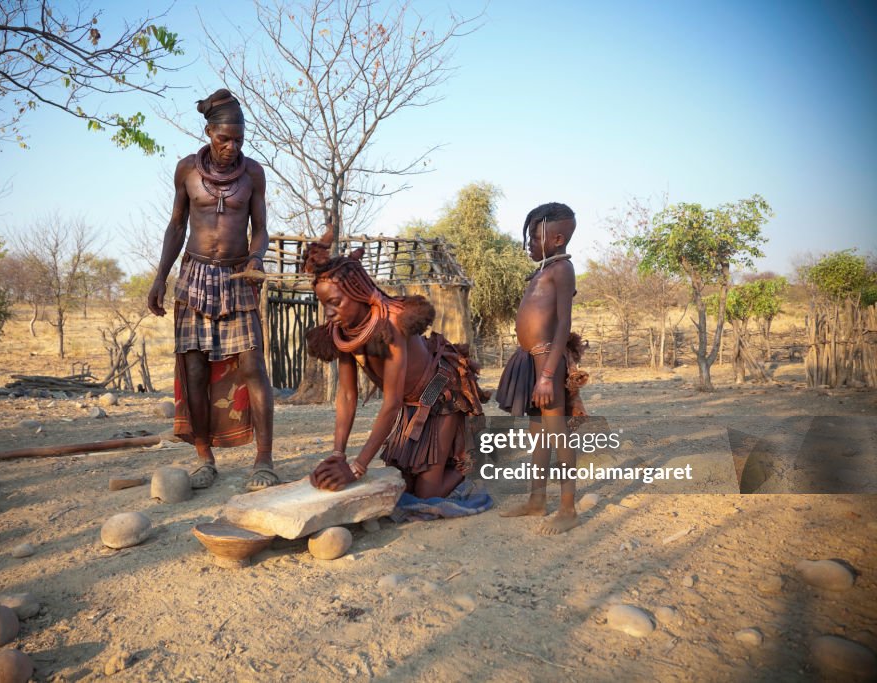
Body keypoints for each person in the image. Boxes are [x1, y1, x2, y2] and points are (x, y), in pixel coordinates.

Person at [147, 89, 278, 491]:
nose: (231, 147)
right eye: (224, 139)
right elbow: (176, 227)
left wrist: (256, 259)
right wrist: (160, 277)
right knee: (194, 370)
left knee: (253, 366)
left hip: (237, 277)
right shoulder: (186, 170)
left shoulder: (253, 173)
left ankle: (264, 461)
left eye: (238, 139)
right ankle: (204, 457)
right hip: (193, 277)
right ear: (209, 133)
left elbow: (261, 229)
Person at [303, 230, 488, 498]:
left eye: (335, 302)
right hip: (410, 400)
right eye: (324, 305)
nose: (329, 313)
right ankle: (438, 459)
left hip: (439, 388)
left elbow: (391, 403)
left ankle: (467, 462)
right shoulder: (342, 332)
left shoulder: (392, 325)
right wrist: (338, 454)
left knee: (426, 493)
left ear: (357, 292)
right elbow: (346, 395)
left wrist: (357, 468)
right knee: (403, 484)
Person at [495, 202, 589, 534]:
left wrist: (548, 374)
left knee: (557, 433)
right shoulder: (542, 270)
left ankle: (568, 508)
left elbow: (564, 323)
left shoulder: (562, 270)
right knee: (539, 435)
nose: (529, 244)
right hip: (532, 358)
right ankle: (537, 500)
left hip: (547, 359)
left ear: (558, 238)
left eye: (536, 238)